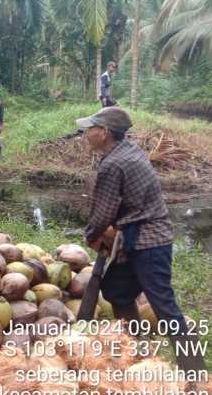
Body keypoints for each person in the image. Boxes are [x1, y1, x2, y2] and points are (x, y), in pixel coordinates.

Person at [76, 107, 206, 375]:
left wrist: (92, 235)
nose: (86, 133)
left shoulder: (113, 164)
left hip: (149, 242)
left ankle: (195, 373)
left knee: (165, 307)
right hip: (134, 238)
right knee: (117, 291)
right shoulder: (128, 149)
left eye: (90, 128)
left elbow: (103, 212)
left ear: (104, 133)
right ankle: (138, 352)